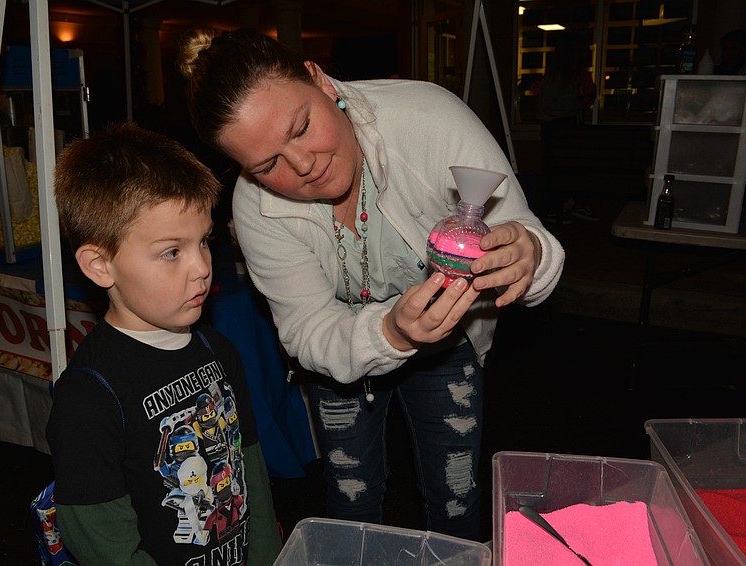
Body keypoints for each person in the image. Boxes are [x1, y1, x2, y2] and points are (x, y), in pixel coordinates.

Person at [178, 28, 564, 542]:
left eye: (301, 127)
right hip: (340, 355)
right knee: (350, 498)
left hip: (449, 342)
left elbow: (525, 235)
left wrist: (530, 254)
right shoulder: (256, 208)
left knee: (455, 495)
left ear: (319, 79)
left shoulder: (429, 120)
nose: (303, 165)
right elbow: (308, 330)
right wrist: (392, 332)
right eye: (267, 165)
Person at [46, 122, 283, 565]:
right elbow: (104, 544)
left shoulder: (219, 352)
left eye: (204, 241)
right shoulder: (89, 398)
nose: (202, 267)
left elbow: (251, 471)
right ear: (99, 266)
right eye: (172, 251)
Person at [532, 31, 598, 225]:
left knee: (561, 170)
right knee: (563, 170)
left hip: (557, 129)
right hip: (561, 129)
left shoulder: (560, 76)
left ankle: (561, 207)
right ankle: (562, 208)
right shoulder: (564, 77)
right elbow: (550, 105)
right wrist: (579, 103)